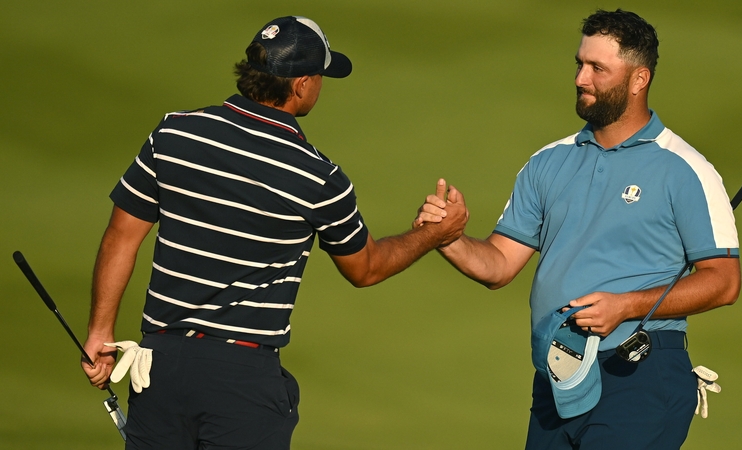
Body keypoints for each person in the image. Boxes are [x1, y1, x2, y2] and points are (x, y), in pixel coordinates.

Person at [81, 15, 467, 450]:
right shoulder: (318, 176)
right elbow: (367, 268)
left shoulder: (173, 133)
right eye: (320, 76)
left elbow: (121, 236)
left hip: (158, 369)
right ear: (301, 84)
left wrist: (100, 333)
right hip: (242, 380)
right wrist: (434, 234)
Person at [416, 9, 740, 450]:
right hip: (558, 377)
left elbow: (724, 282)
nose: (580, 78)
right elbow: (498, 265)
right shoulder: (548, 162)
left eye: (597, 68)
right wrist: (447, 238)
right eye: (579, 63)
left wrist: (625, 306)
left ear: (638, 79)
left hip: (639, 376)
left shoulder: (685, 170)